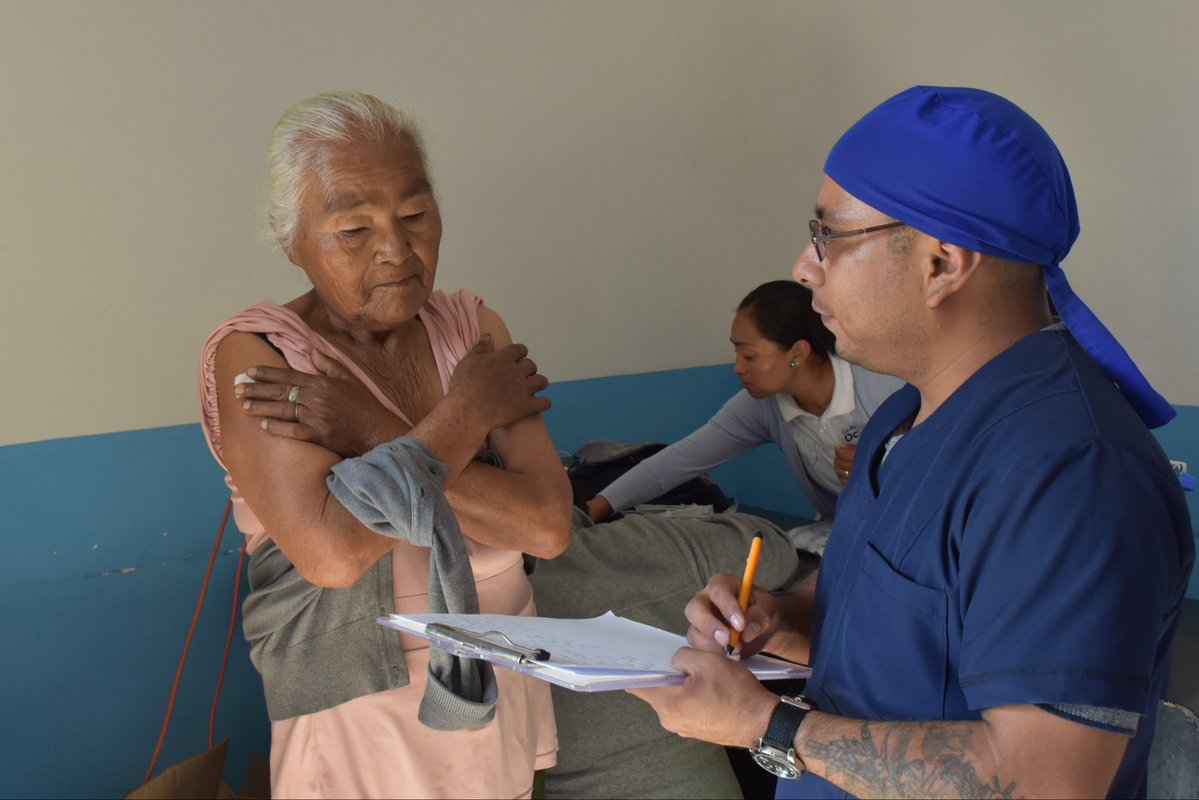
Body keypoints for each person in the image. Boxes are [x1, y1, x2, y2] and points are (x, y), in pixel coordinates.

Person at [629, 86, 1193, 799]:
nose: (804, 269)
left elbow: (1048, 779)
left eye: (827, 236)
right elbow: (907, 631)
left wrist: (765, 727)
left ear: (940, 263)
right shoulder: (904, 419)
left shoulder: (1068, 470)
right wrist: (778, 620)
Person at [197, 91, 573, 799]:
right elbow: (333, 553)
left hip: (497, 674)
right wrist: (466, 418)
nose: (396, 250)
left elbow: (547, 527)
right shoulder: (261, 355)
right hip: (358, 708)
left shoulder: (472, 327)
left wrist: (367, 432)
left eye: (413, 215)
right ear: (292, 241)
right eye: (352, 228)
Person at [586, 281, 903, 525]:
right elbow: (677, 462)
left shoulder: (886, 383)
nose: (738, 367)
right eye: (737, 353)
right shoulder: (761, 406)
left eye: (749, 355)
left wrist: (885, 462)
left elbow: (944, 464)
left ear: (798, 353)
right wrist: (596, 509)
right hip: (849, 531)